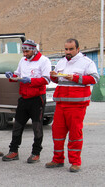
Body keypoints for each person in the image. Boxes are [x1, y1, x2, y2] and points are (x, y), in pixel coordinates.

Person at [45, 38, 99, 172]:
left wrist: (75, 78)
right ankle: (57, 159)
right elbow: (58, 80)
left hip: (77, 105)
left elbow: (94, 78)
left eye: (71, 49)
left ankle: (75, 162)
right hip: (61, 104)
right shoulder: (62, 61)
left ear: (77, 49)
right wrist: (53, 76)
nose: (68, 52)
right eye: (66, 49)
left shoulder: (87, 62)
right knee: (57, 133)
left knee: (75, 134)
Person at [2, 39, 51, 163]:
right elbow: (18, 75)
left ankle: (36, 153)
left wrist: (31, 81)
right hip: (24, 98)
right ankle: (13, 151)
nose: (24, 54)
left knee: (37, 127)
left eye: (27, 51)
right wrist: (11, 76)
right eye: (23, 52)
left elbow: (46, 79)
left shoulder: (44, 61)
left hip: (37, 99)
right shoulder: (22, 61)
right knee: (17, 125)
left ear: (34, 50)